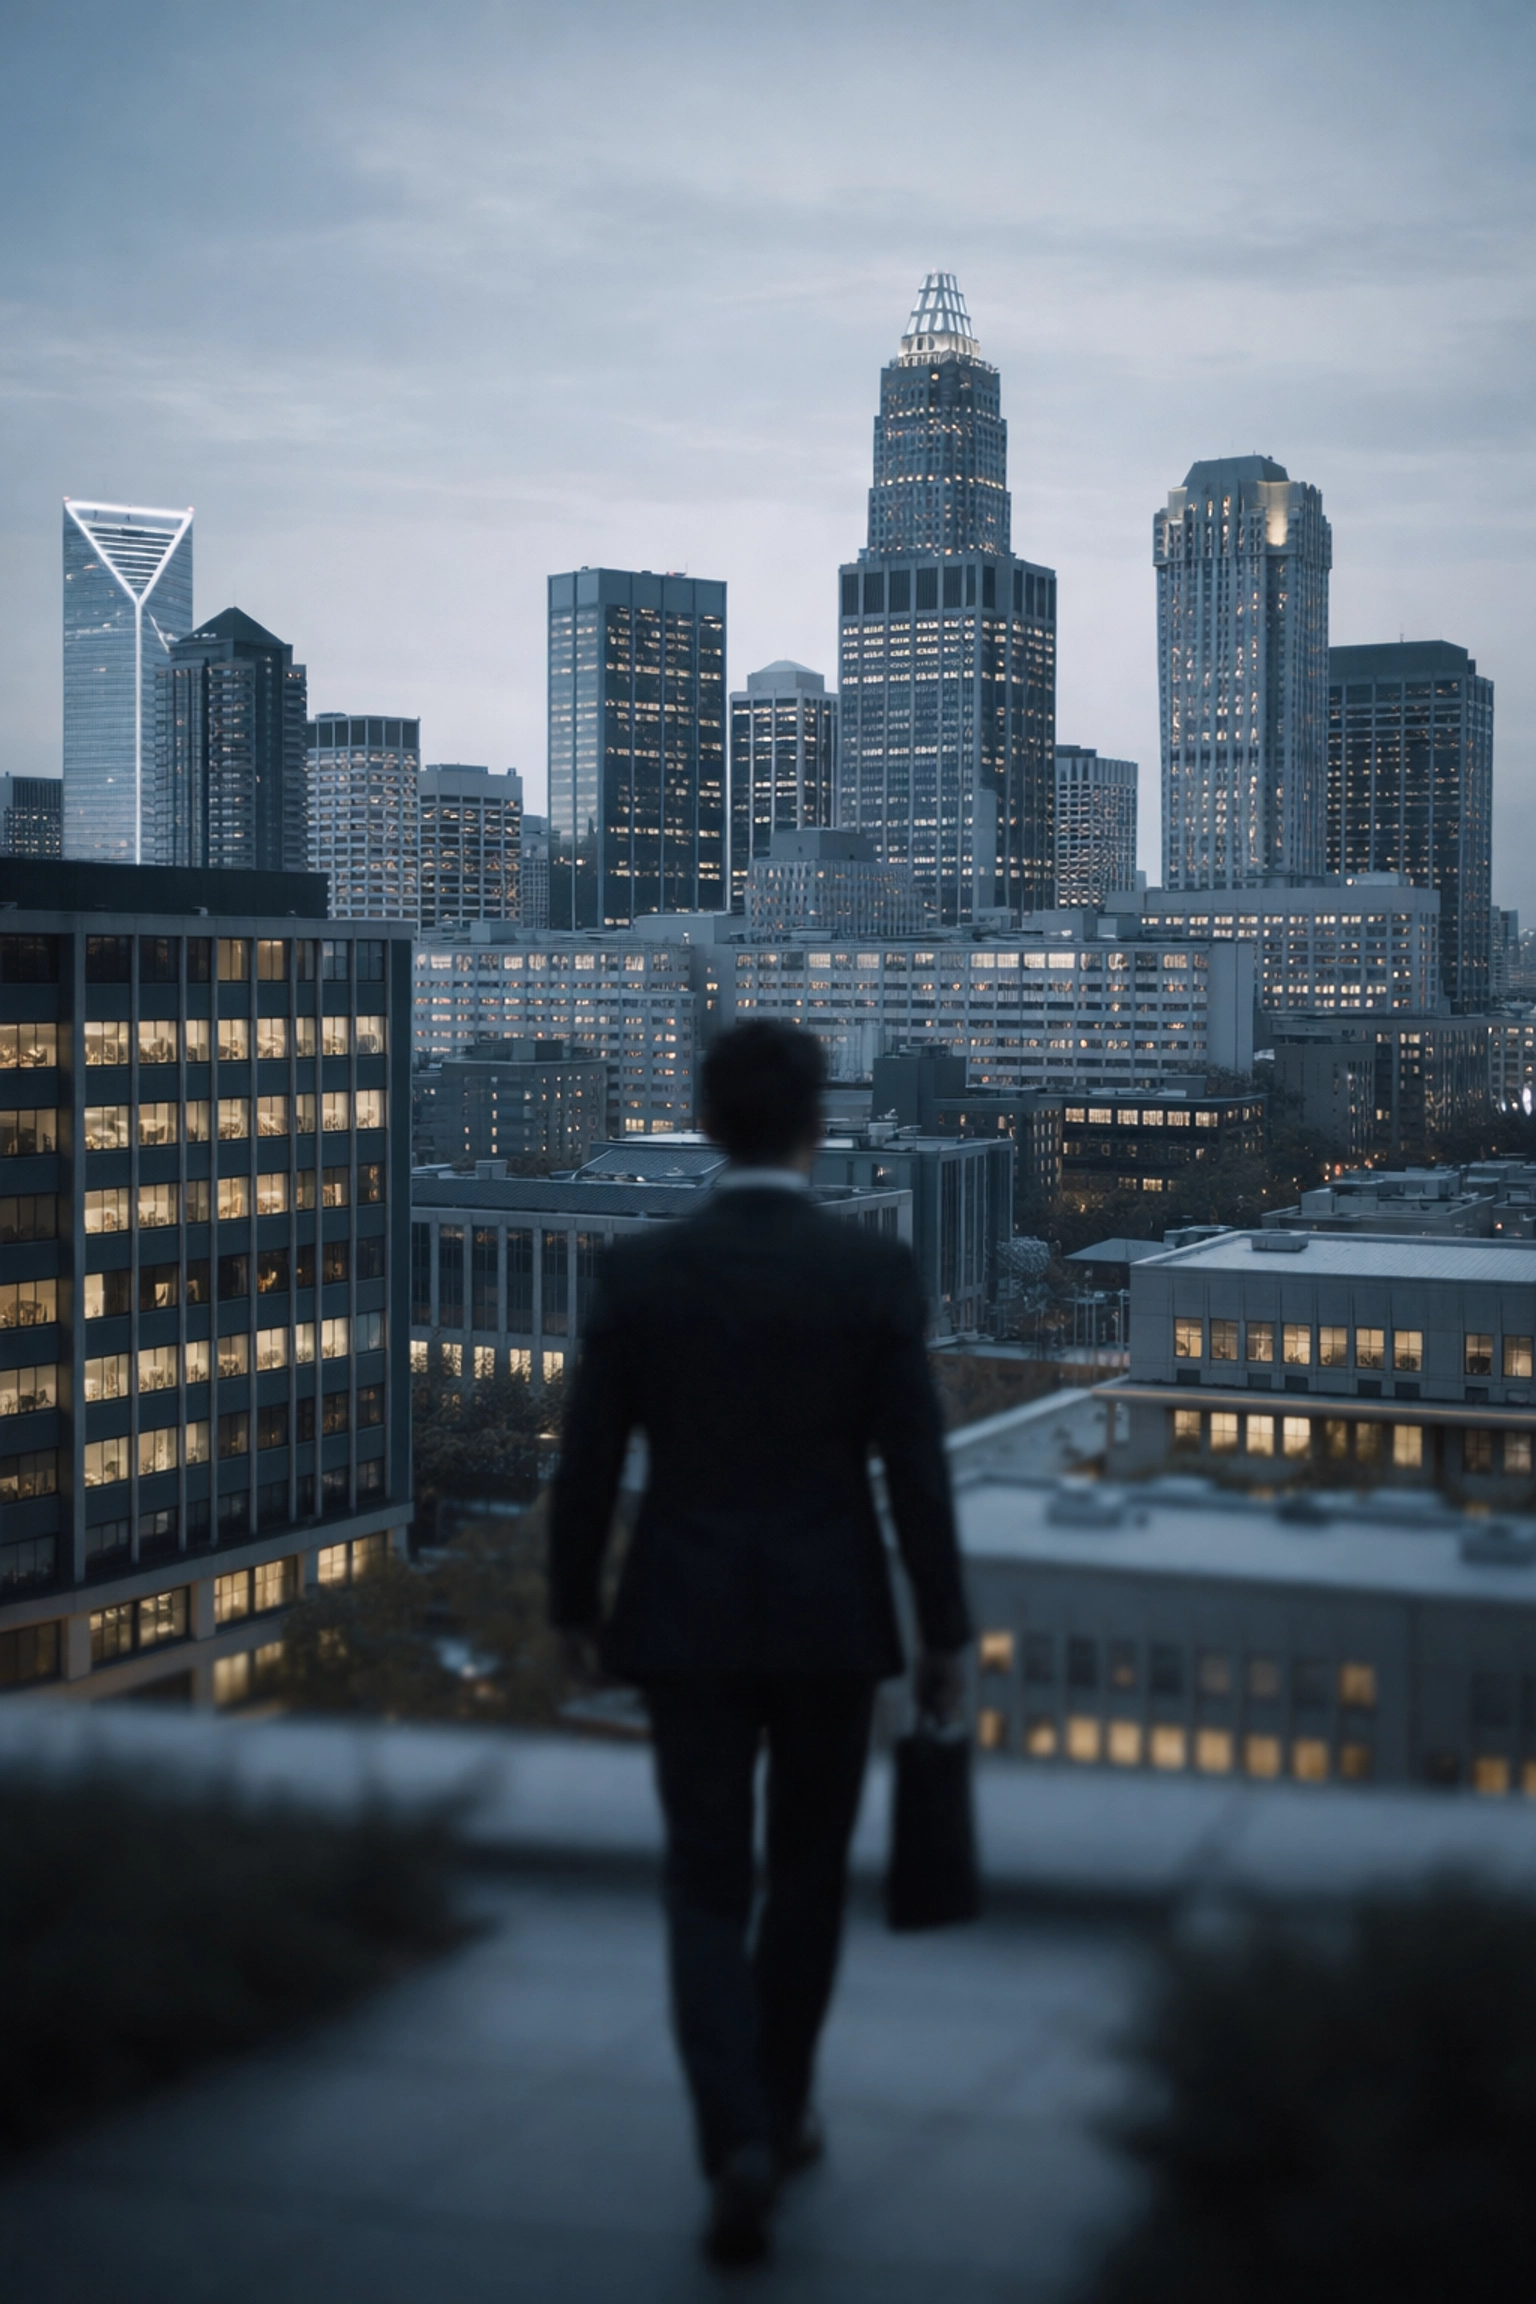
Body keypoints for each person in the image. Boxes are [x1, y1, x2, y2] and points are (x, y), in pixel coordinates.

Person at [549, 1020, 970, 2267]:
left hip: (682, 1615)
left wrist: (573, 1607)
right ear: (815, 1125)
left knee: (702, 1882)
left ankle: (733, 2134)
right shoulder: (871, 1274)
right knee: (805, 1880)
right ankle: (779, 2120)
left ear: (704, 1121)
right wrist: (943, 1628)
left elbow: (585, 1467)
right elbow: (918, 1472)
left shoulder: (638, 1273)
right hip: (834, 1620)